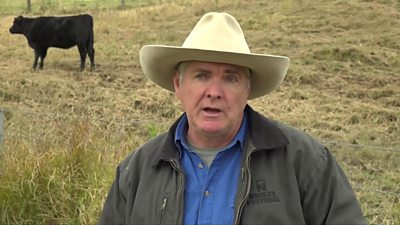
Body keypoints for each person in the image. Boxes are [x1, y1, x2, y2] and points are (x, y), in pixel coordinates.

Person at [98, 12, 366, 225]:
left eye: (231, 78)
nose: (214, 92)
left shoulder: (306, 163)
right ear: (178, 85)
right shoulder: (137, 171)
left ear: (247, 89)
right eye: (201, 75)